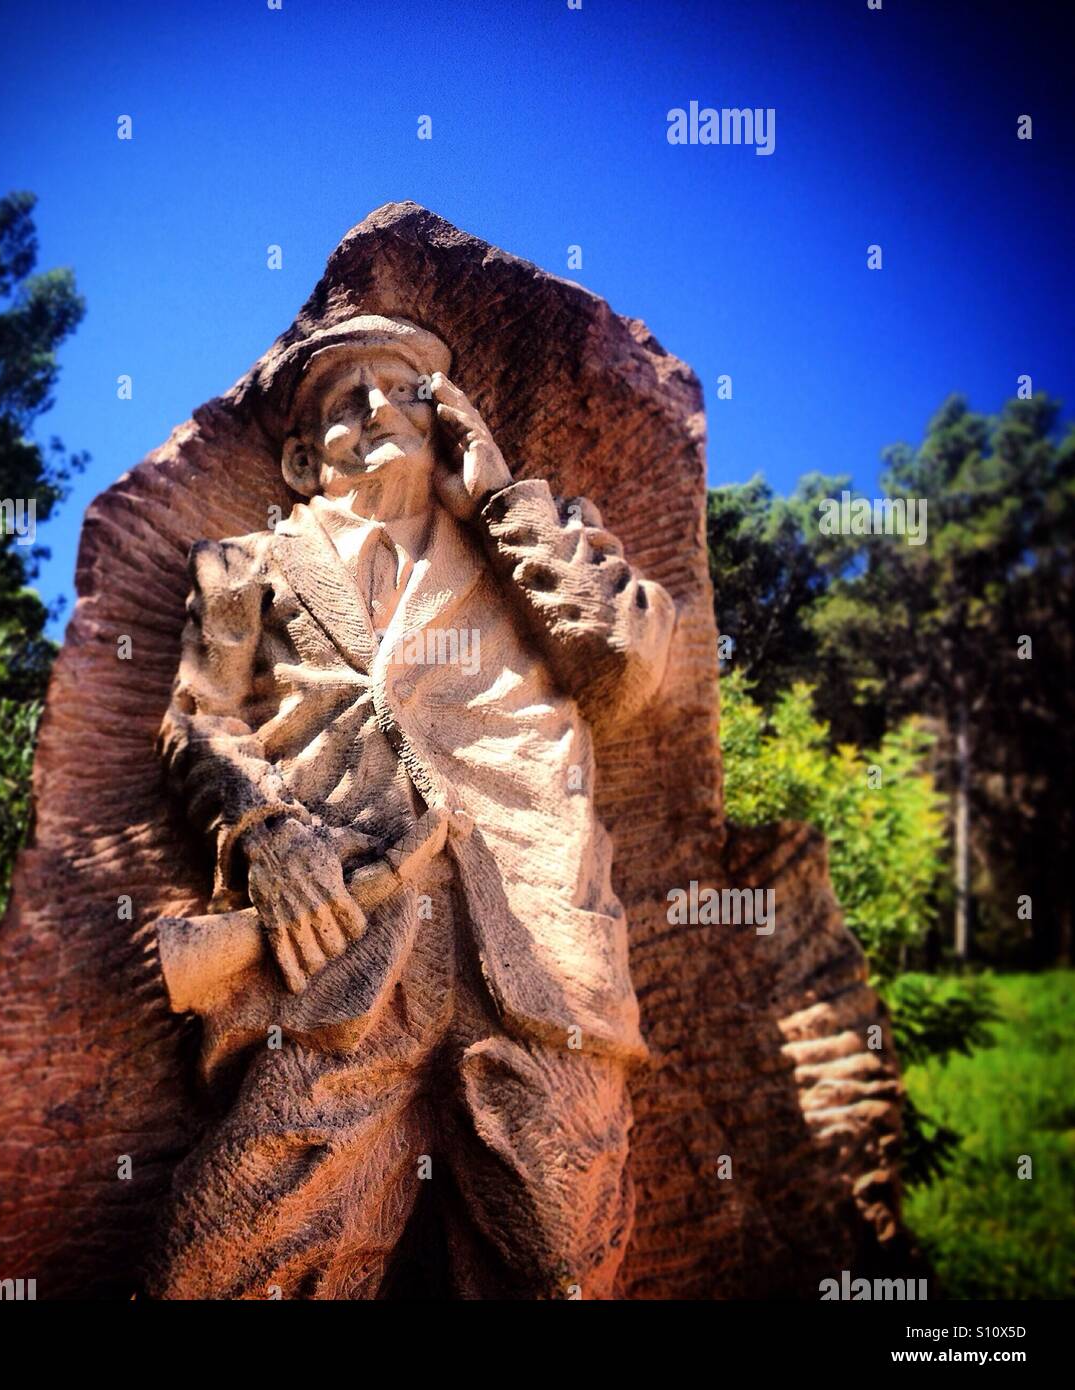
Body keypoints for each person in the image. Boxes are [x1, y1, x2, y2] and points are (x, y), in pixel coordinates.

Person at [148, 315, 675, 1298]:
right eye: (342, 403)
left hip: (533, 947)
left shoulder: (533, 535)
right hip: (345, 944)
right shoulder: (239, 568)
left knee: (563, 1259)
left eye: (403, 390)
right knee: (217, 1262)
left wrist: (499, 492)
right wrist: (263, 830)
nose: (376, 408)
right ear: (302, 461)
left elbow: (619, 668)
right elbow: (195, 717)